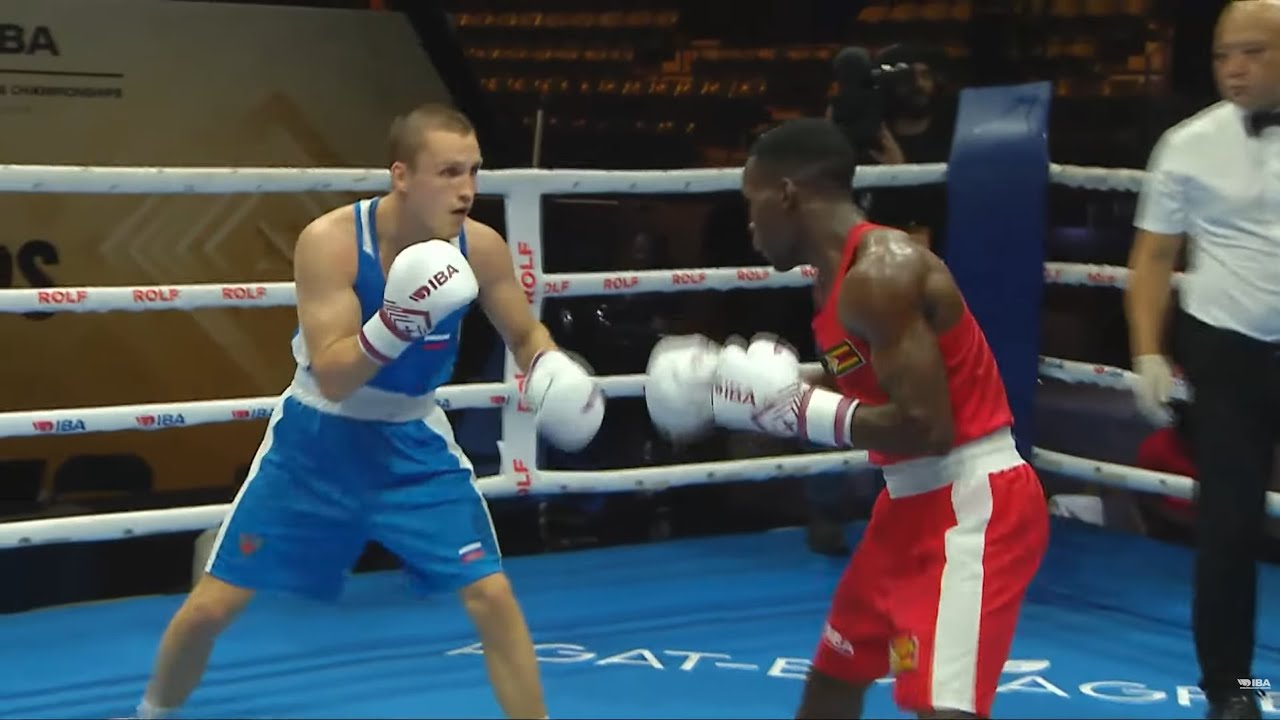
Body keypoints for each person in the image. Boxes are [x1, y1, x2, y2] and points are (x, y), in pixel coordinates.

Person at [128, 103, 606, 720]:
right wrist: (397, 323)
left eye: (474, 171)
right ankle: (151, 713)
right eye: (449, 172)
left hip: (412, 439)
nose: (466, 190)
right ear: (401, 175)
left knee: (491, 595)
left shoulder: (480, 247)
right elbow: (333, 377)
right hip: (317, 441)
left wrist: (550, 366)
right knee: (213, 606)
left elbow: (523, 333)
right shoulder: (331, 243)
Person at [643, 117, 1049, 719]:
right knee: (833, 681)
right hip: (907, 504)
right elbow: (861, 387)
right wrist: (734, 388)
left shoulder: (881, 274)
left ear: (787, 194)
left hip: (973, 502)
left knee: (944, 708)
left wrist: (796, 410)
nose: (749, 225)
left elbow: (927, 426)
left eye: (753, 204)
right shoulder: (833, 283)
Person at [1126, 3, 1280, 717]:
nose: (1234, 69)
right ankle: (1230, 689)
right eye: (1223, 55)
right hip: (1228, 352)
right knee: (1228, 526)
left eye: (1252, 52)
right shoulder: (1187, 144)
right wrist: (1147, 352)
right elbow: (1154, 255)